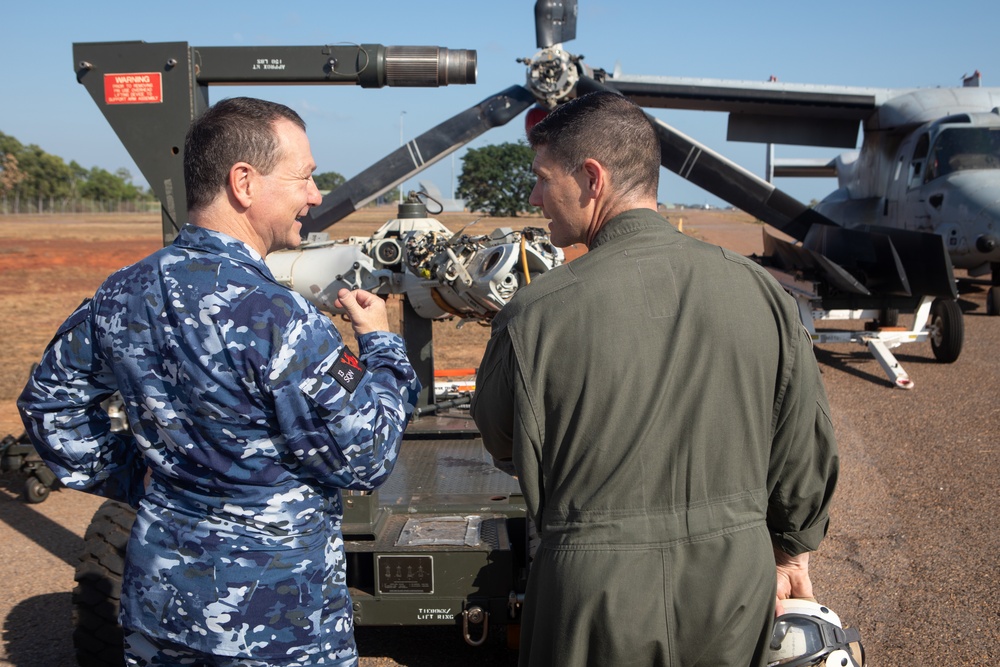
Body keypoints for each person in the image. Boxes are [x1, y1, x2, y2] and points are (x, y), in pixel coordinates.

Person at [18, 96, 420, 666]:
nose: (315, 195)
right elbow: (368, 456)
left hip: (161, 610)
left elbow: (51, 405)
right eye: (304, 177)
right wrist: (379, 343)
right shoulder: (281, 318)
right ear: (244, 182)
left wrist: (146, 481)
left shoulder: (121, 293)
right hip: (276, 624)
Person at [471, 91, 839, 667]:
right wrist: (791, 550)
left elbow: (501, 439)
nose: (534, 196)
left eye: (543, 178)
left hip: (593, 594)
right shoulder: (762, 292)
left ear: (592, 178)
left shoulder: (534, 313)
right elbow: (802, 445)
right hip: (734, 586)